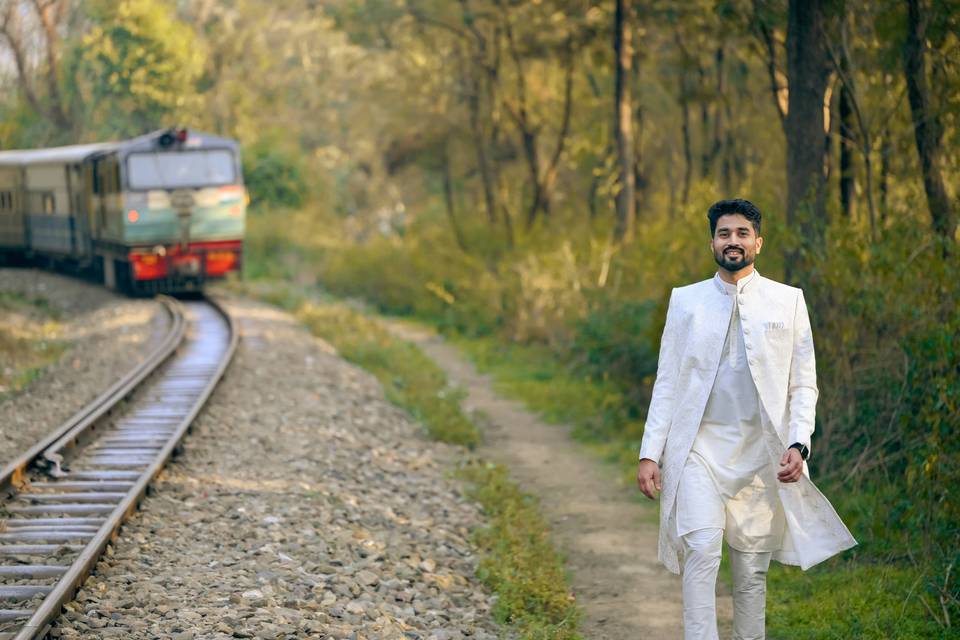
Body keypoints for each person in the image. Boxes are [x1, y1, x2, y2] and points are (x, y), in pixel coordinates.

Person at [636, 199, 856, 640]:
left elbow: (803, 385)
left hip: (762, 457)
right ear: (712, 241)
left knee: (752, 574)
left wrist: (798, 444)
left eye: (741, 233)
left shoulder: (788, 301)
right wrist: (650, 453)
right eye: (723, 233)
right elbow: (667, 383)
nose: (732, 241)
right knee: (701, 551)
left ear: (758, 241)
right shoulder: (685, 301)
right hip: (699, 450)